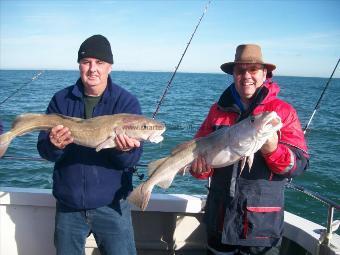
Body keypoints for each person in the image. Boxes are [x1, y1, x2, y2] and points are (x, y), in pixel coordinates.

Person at [190, 44, 309, 255]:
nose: (246, 76)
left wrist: (272, 149)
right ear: (233, 75)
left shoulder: (282, 112)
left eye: (253, 69)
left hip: (261, 227)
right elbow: (199, 162)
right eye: (240, 70)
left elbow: (298, 165)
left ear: (265, 73)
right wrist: (200, 169)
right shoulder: (217, 111)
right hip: (219, 220)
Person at [37, 34, 142, 255]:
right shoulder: (61, 100)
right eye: (86, 62)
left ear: (110, 67)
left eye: (100, 63)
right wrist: (55, 145)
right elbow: (44, 151)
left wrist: (124, 150)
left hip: (113, 204)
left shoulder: (126, 102)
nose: (93, 69)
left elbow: (134, 158)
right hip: (69, 204)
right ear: (79, 65)